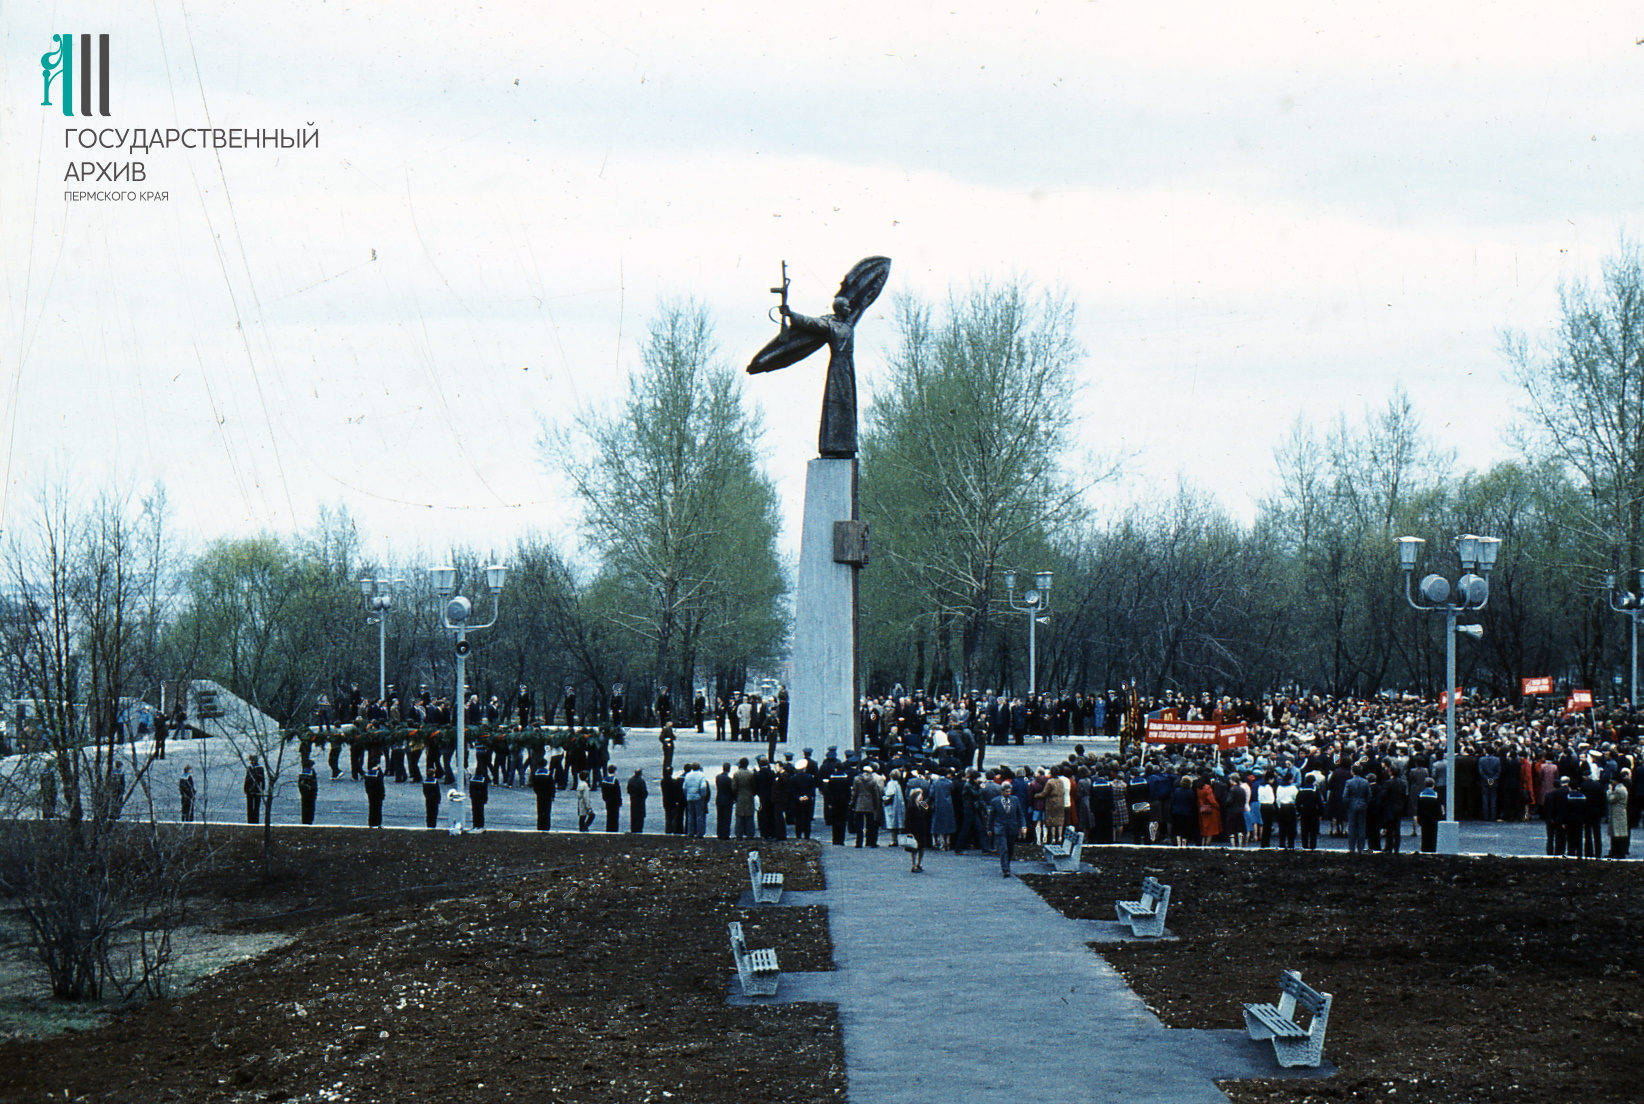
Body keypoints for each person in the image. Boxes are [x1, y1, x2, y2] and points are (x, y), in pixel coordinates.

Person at [988, 780, 1026, 877]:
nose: (1008, 794)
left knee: (1010, 849)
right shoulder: (995, 801)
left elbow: (1020, 814)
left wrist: (1023, 825)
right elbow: (991, 816)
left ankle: (1007, 863)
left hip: (1012, 827)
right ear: (1002, 791)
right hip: (1000, 827)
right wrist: (989, 828)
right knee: (1003, 848)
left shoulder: (1015, 800)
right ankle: (1005, 869)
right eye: (1006, 792)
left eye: (1009, 792)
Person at [905, 783, 932, 873]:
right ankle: (913, 865)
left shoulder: (922, 805)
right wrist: (908, 831)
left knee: (922, 847)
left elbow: (929, 811)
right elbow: (907, 820)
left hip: (922, 828)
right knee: (914, 848)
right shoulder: (911, 807)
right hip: (914, 829)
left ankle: (919, 863)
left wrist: (924, 805)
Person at [531, 757, 555, 830]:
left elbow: (534, 785)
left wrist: (537, 792)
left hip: (540, 794)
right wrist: (552, 795)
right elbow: (551, 785)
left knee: (540, 811)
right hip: (547, 794)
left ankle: (540, 826)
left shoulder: (536, 773)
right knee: (547, 811)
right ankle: (547, 826)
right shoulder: (548, 773)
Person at [244, 755, 266, 825]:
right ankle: (250, 820)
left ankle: (255, 821)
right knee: (250, 806)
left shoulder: (260, 768)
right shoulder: (249, 768)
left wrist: (262, 789)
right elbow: (247, 779)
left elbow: (262, 780)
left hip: (257, 789)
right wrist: (245, 788)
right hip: (250, 790)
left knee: (256, 806)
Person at [600, 766, 622, 832]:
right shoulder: (615, 780)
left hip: (608, 801)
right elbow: (618, 792)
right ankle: (614, 830)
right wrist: (619, 802)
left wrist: (605, 798)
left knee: (609, 816)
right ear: (614, 771)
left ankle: (608, 829)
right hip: (614, 802)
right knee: (615, 817)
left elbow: (603, 791)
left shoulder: (604, 779)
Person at [628, 769, 648, 833]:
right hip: (640, 801)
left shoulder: (630, 780)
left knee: (633, 816)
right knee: (640, 817)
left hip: (633, 800)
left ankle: (633, 829)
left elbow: (628, 791)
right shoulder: (641, 781)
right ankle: (639, 830)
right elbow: (644, 792)